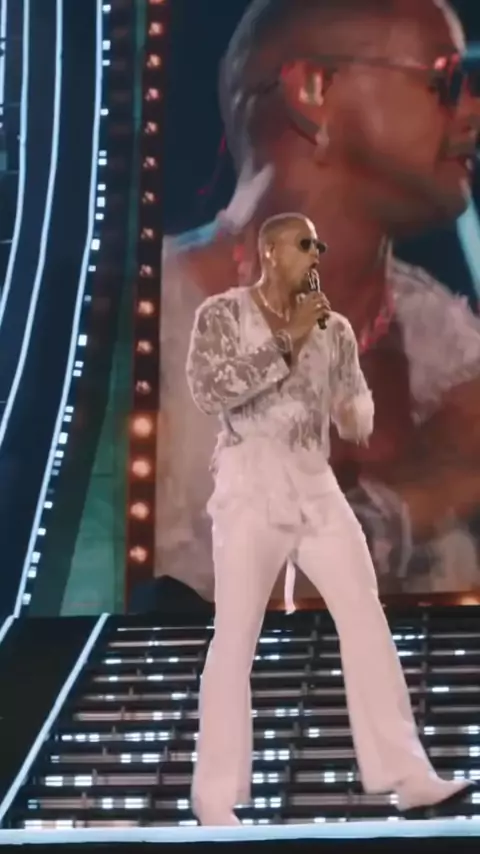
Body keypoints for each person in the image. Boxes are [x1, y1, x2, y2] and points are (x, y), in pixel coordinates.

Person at [156, 0, 480, 605]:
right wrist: (413, 494)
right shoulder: (135, 338)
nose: (472, 110)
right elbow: (123, 630)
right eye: (444, 80)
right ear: (312, 91)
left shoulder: (449, 348)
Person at [185, 212, 476, 826]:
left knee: (366, 616)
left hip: (315, 485)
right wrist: (286, 341)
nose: (314, 256)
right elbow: (212, 391)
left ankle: (408, 776)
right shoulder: (222, 316)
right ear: (270, 252)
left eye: (316, 246)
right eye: (302, 246)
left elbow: (351, 402)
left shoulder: (333, 327)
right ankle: (214, 796)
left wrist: (359, 411)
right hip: (250, 484)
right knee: (236, 634)